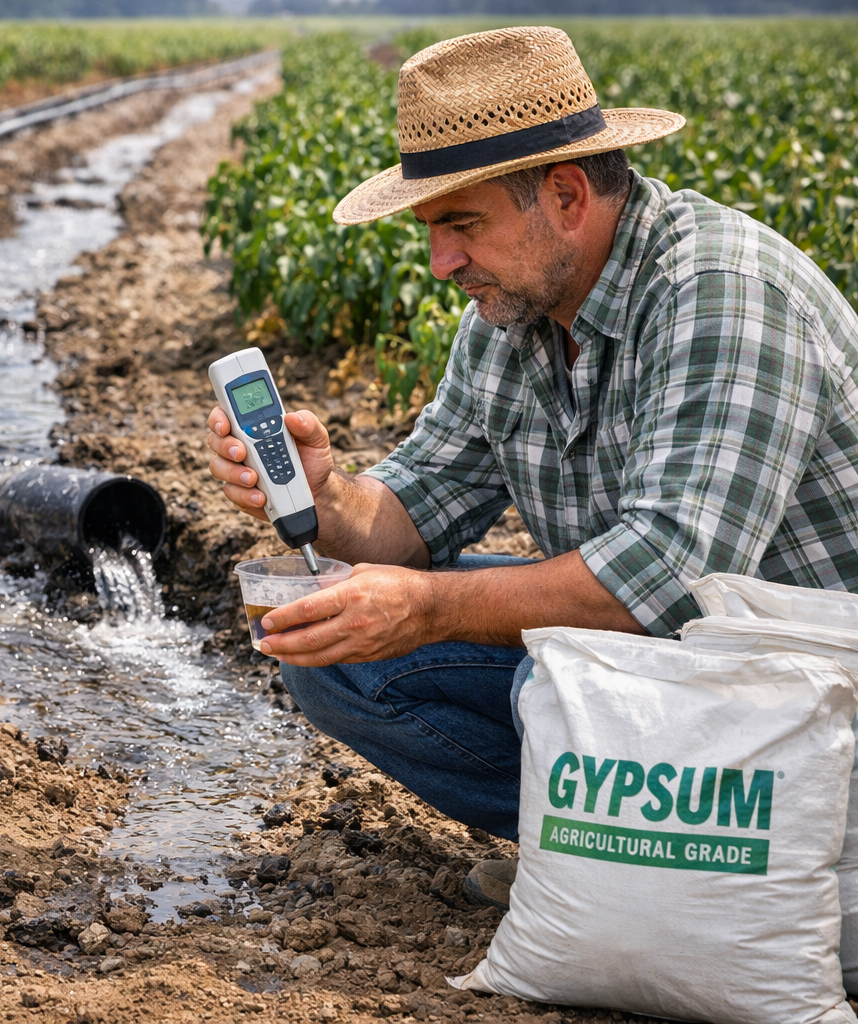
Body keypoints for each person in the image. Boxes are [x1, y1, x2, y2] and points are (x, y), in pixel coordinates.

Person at [205, 25, 858, 909]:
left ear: (565, 194)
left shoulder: (724, 292)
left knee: (539, 672)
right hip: (683, 681)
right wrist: (324, 496)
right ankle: (606, 857)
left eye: (461, 224)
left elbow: (660, 583)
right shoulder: (514, 318)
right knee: (332, 648)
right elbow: (414, 511)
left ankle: (716, 869)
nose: (441, 265)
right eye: (432, 231)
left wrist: (432, 609)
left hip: (814, 696)